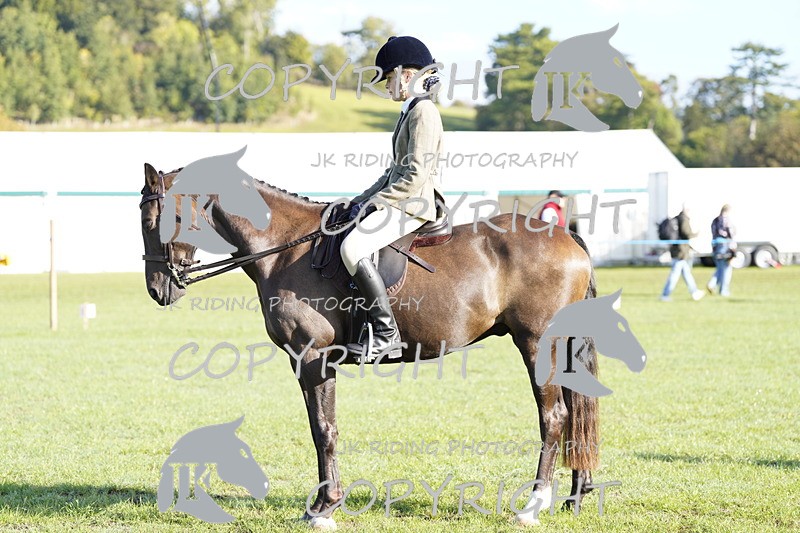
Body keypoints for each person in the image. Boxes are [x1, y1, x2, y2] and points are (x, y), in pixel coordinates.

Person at [341, 36, 444, 359]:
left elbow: (415, 175)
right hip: (402, 198)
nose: (387, 86)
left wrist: (375, 204)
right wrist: (356, 201)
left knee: (352, 248)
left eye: (388, 78)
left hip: (415, 204)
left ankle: (386, 334)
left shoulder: (423, 111)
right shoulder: (410, 110)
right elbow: (391, 173)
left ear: (407, 75)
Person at [661, 205, 705, 301]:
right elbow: (686, 233)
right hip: (680, 251)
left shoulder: (677, 218)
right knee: (675, 274)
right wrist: (696, 234)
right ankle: (665, 294)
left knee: (686, 272)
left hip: (677, 250)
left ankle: (694, 292)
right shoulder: (684, 219)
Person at [706, 204, 735, 296]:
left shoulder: (715, 221)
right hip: (725, 247)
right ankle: (723, 290)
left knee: (720, 268)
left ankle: (712, 284)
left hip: (716, 247)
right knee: (726, 269)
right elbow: (731, 234)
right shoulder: (726, 220)